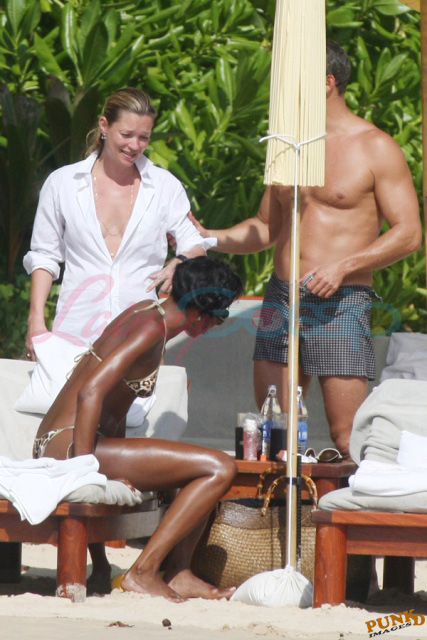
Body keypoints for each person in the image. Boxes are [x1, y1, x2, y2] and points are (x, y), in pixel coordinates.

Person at [188, 41, 422, 458]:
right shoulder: (286, 146)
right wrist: (208, 236)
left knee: (347, 436)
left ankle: (355, 501)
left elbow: (409, 234)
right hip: (282, 295)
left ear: (327, 82)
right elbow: (265, 227)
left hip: (340, 299)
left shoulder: (374, 146)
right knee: (273, 432)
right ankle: (279, 502)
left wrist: (343, 267)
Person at [33, 256, 244, 601]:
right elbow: (91, 392)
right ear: (201, 314)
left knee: (190, 472)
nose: (214, 326)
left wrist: (100, 562)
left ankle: (179, 573)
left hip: (65, 441)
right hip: (69, 446)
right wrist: (85, 473)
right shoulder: (151, 330)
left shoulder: (145, 311)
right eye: (219, 317)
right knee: (221, 466)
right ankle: (143, 572)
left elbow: (111, 415)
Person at [24, 87, 216, 359]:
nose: (134, 145)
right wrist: (36, 322)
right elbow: (45, 255)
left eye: (144, 137)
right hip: (74, 331)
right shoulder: (62, 183)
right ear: (104, 126)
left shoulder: (164, 186)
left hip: (141, 335)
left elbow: (194, 241)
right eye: (126, 135)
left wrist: (181, 260)